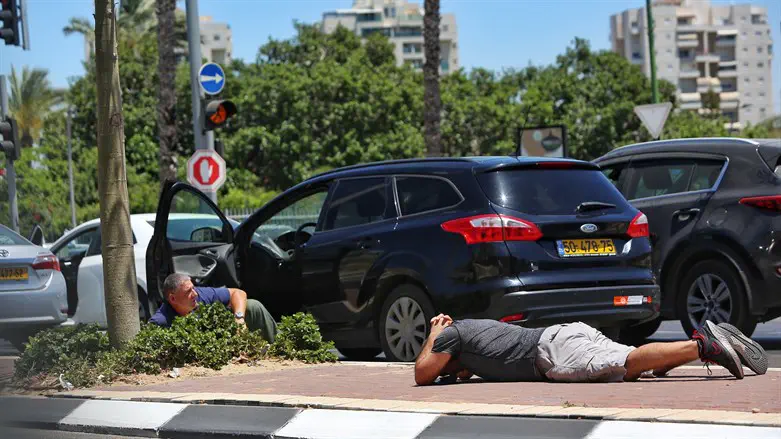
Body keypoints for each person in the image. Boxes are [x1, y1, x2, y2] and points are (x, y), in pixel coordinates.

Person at [414, 314, 767, 386]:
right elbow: (457, 371)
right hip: (566, 333)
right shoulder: (476, 334)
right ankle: (678, 355)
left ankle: (704, 345)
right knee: (630, 360)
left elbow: (422, 374)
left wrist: (432, 334)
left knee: (626, 365)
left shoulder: (449, 334)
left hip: (551, 351)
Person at [149, 273, 278, 343]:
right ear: (172, 298)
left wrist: (239, 318)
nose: (195, 294)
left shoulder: (201, 294)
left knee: (252, 305)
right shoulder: (161, 321)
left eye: (193, 288)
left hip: (223, 337)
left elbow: (238, 293)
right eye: (188, 291)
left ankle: (277, 343)